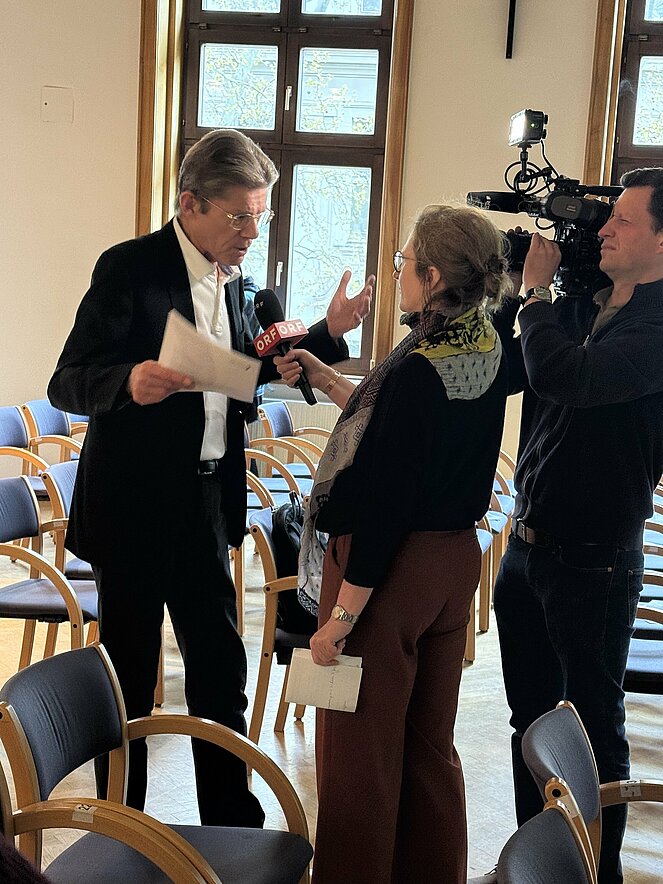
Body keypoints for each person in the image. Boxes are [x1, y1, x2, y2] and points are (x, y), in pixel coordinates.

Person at [47, 128, 372, 827]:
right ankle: (122, 829)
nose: (252, 232)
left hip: (206, 503)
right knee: (128, 684)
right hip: (134, 508)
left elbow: (250, 372)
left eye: (261, 216)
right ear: (190, 203)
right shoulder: (130, 269)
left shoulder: (242, 284)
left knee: (220, 676)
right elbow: (66, 379)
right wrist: (127, 380)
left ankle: (232, 830)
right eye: (239, 216)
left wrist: (326, 333)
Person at [274, 204, 511, 883]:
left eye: (405, 261)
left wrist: (339, 619)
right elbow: (403, 431)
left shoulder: (416, 368)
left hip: (391, 572)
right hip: (452, 561)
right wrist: (325, 377)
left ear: (433, 277)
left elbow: (386, 503)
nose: (398, 269)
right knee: (428, 749)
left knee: (359, 762)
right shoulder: (483, 341)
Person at [491, 167, 663, 883]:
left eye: (623, 220)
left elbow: (573, 379)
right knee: (528, 723)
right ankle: (537, 864)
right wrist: (518, 294)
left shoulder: (657, 327)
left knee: (592, 733)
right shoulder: (581, 301)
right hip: (527, 546)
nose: (605, 229)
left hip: (594, 560)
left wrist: (536, 297)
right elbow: (513, 371)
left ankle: (596, 874)